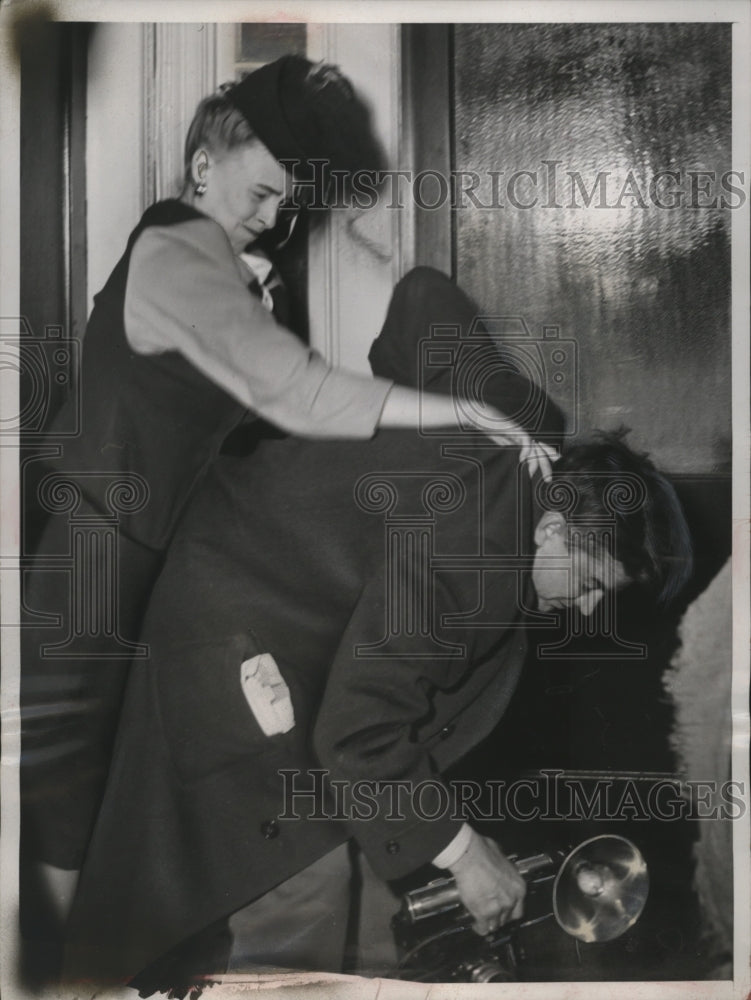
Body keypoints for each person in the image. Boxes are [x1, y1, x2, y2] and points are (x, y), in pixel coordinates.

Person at [19, 54, 556, 947]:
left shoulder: (220, 267)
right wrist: (466, 411)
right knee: (61, 816)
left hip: (138, 546)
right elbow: (297, 392)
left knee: (95, 813)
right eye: (261, 193)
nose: (272, 218)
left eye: (286, 202)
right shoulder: (174, 249)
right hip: (95, 549)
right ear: (202, 165)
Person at [60, 267, 692, 993]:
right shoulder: (486, 549)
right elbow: (358, 737)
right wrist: (465, 854)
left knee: (364, 908)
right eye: (588, 585)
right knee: (296, 921)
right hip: (241, 660)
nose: (584, 612)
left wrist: (503, 405)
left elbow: (418, 299)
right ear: (552, 530)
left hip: (232, 603)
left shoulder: (523, 436)